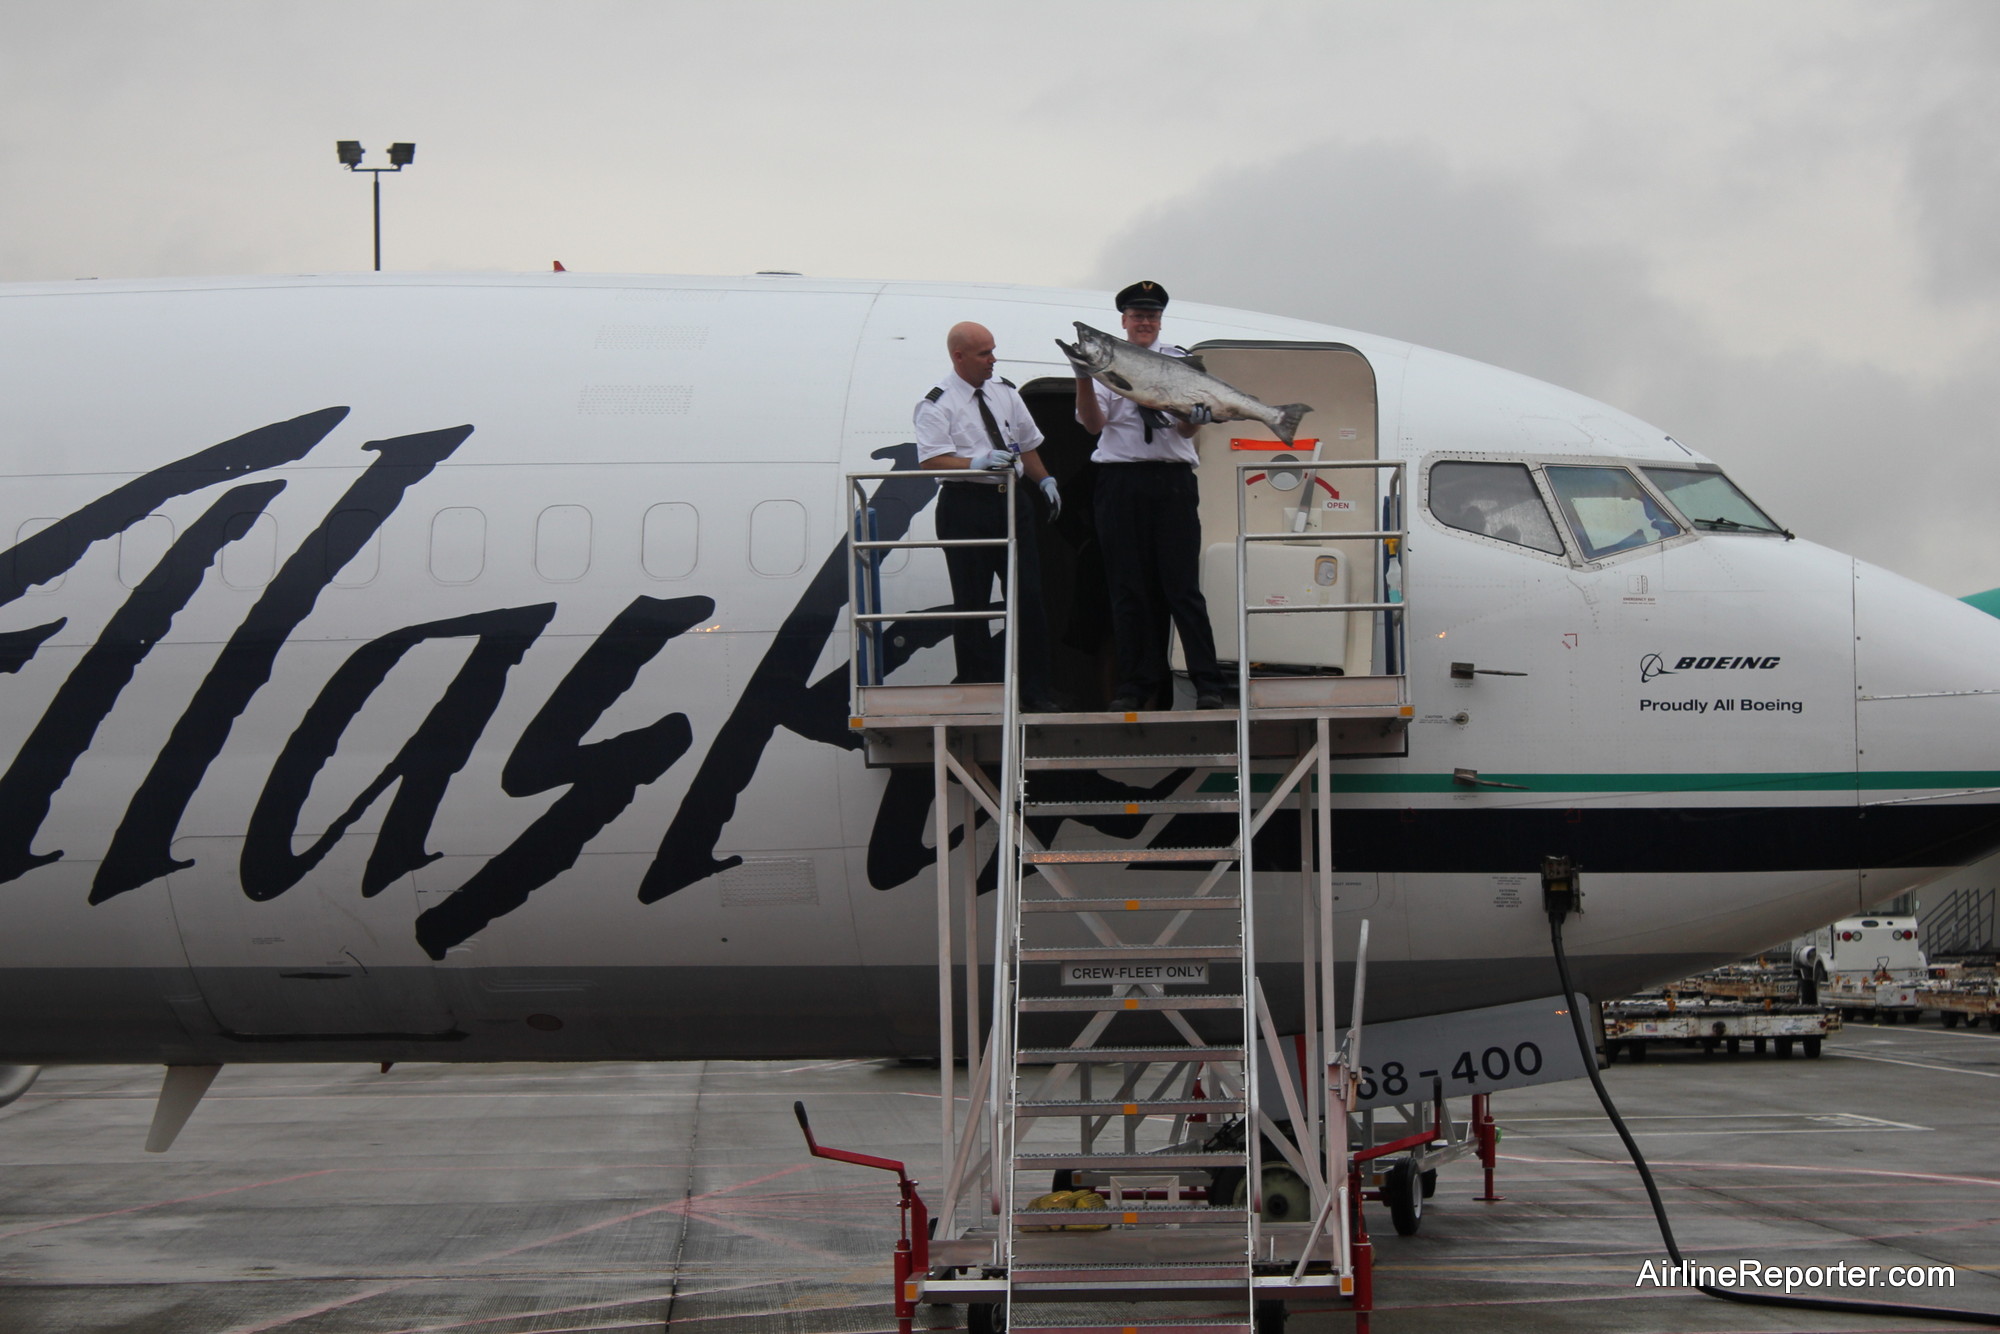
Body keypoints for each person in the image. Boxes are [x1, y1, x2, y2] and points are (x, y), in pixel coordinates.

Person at [1071, 282, 1228, 712]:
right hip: (1120, 480)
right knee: (1127, 588)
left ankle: (1207, 683)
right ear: (1124, 320)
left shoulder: (1178, 360)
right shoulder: (1108, 360)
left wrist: (1196, 419)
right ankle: (1135, 685)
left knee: (1182, 587)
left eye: (1152, 316)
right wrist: (1083, 378)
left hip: (1172, 481)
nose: (1145, 322)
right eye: (1138, 316)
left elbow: (1186, 430)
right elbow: (1092, 424)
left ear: (1160, 321)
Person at [915, 321, 1061, 712]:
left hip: (1011, 502)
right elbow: (931, 459)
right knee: (972, 602)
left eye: (992, 351)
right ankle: (977, 691)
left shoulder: (1005, 393)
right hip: (966, 503)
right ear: (958, 356)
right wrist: (974, 463)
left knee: (1028, 598)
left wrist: (1045, 480)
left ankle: (1036, 691)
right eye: (984, 354)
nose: (992, 360)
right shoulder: (938, 403)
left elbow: (1026, 445)